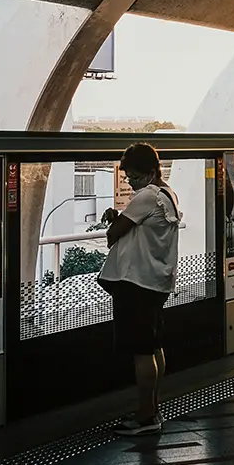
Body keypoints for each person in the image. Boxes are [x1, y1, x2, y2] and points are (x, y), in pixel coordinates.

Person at [97, 143, 180, 437]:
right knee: (154, 346)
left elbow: (114, 233)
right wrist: (120, 215)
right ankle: (153, 408)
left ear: (148, 173)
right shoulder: (167, 193)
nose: (130, 182)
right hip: (156, 282)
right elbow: (138, 224)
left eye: (132, 176)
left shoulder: (146, 196)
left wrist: (116, 221)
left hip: (136, 284)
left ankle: (145, 416)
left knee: (141, 351)